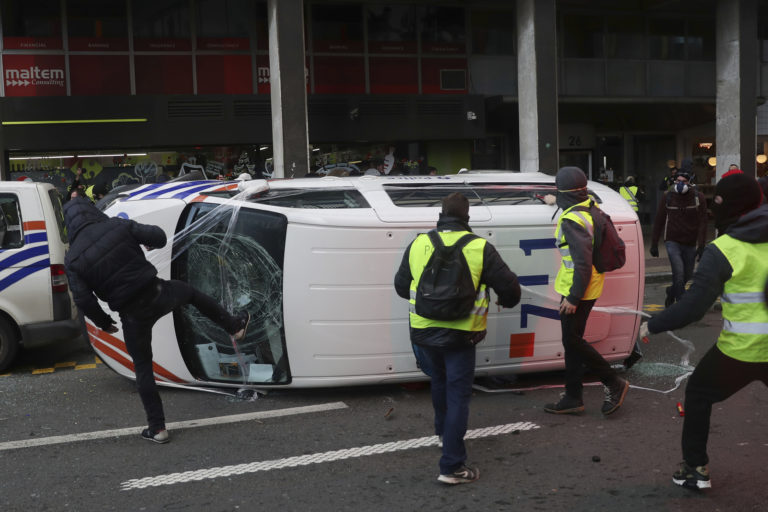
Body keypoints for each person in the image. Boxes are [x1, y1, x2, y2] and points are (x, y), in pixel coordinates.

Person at [63, 197, 250, 444]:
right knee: (190, 293)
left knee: (143, 367)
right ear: (91, 211)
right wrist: (148, 243)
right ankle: (234, 327)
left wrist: (104, 322)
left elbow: (83, 300)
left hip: (132, 315)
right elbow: (159, 237)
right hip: (158, 293)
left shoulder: (73, 259)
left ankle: (157, 428)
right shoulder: (117, 226)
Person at [640, 173, 767, 490]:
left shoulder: (723, 249)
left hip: (740, 353)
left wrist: (652, 324)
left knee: (698, 394)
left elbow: (693, 307)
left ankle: (695, 468)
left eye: (718, 203)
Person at [393, 192, 521, 485]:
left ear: (441, 215)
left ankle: (443, 434)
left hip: (423, 332)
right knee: (458, 395)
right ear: (467, 217)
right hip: (462, 334)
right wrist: (503, 300)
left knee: (438, 382)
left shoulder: (418, 243)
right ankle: (452, 466)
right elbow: (510, 289)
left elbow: (401, 287)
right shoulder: (480, 247)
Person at [543, 166, 629, 416]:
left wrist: (573, 297)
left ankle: (613, 382)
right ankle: (573, 396)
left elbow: (582, 263)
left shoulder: (572, 221)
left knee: (572, 341)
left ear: (564, 192)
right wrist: (554, 200)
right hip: (588, 286)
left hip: (578, 289)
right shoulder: (589, 207)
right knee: (572, 342)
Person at [650, 164, 708, 307]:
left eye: (684, 181)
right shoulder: (668, 196)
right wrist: (654, 243)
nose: (681, 184)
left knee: (687, 275)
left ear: (690, 183)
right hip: (672, 240)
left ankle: (671, 292)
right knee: (679, 273)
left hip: (690, 242)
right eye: (678, 181)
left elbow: (703, 222)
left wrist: (701, 245)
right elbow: (659, 220)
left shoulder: (698, 197)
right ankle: (681, 306)